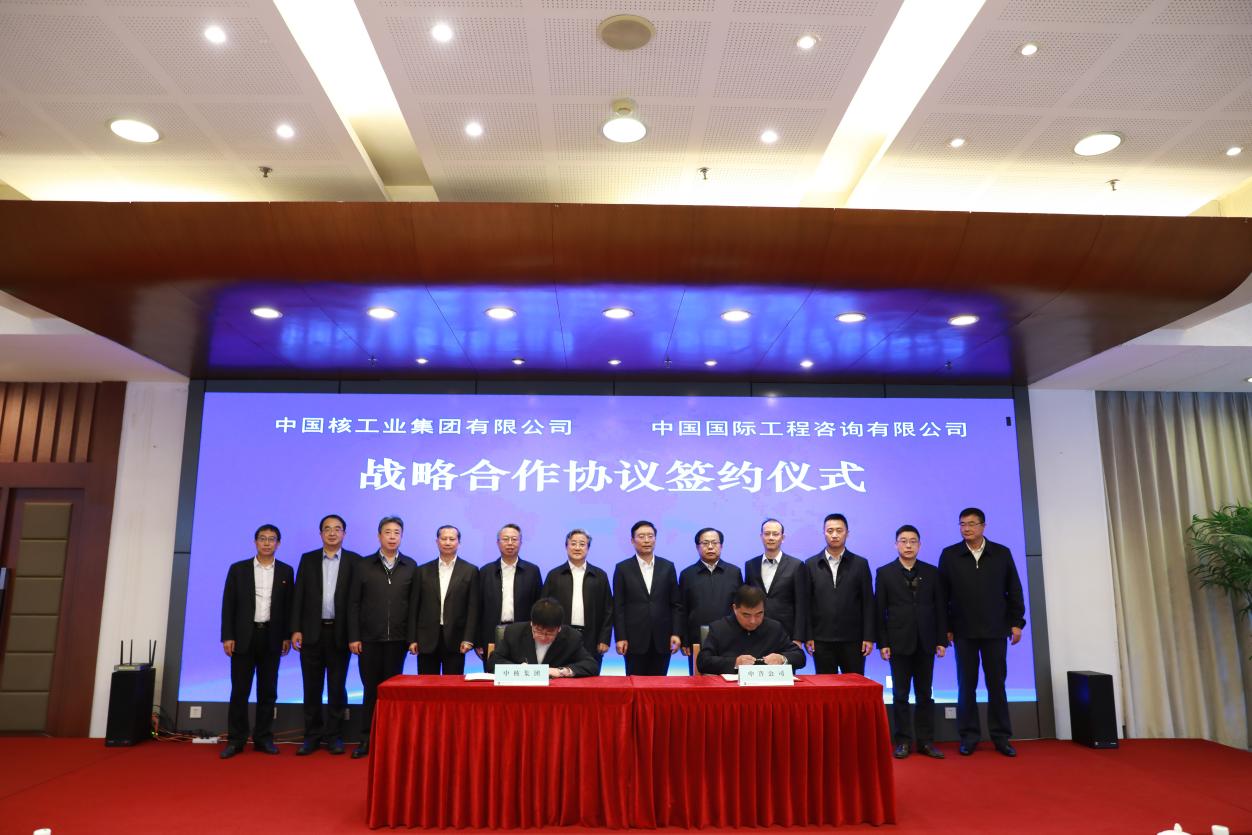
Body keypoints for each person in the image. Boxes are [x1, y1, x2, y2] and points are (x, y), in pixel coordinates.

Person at [938, 507, 1026, 757]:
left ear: (983, 526)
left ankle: (1001, 737)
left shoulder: (1001, 553)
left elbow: (1014, 590)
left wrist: (1017, 622)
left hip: (996, 629)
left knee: (996, 684)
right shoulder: (950, 555)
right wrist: (946, 628)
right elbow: (942, 595)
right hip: (963, 631)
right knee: (966, 685)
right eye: (962, 524)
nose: (966, 528)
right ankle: (969, 736)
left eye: (972, 524)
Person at [219, 524, 293, 759]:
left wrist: (286, 636)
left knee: (268, 691)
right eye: (263, 538)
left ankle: (263, 738)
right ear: (255, 542)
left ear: (278, 543)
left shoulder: (286, 571)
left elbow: (288, 608)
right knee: (239, 691)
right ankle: (236, 740)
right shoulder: (238, 569)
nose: (267, 543)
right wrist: (227, 636)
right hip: (244, 637)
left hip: (272, 637)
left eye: (272, 539)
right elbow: (228, 604)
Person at [347, 516, 418, 759]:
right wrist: (354, 636)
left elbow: (414, 606)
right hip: (369, 640)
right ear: (379, 536)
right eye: (387, 532)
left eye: (396, 532)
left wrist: (411, 638)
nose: (392, 536)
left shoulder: (410, 566)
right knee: (370, 690)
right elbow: (353, 603)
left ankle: (390, 741)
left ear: (402, 536)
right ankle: (366, 739)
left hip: (397, 641)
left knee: (392, 693)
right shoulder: (364, 565)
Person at [290, 514, 360, 756]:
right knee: (311, 687)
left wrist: (354, 634)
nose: (332, 533)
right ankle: (311, 736)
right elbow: (298, 596)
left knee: (337, 687)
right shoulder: (308, 559)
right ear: (320, 533)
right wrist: (295, 629)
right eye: (327, 529)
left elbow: (356, 602)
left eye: (337, 529)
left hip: (339, 634)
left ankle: (334, 736)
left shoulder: (354, 561)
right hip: (311, 632)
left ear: (344, 534)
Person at [876, 525, 948, 760]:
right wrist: (883, 643)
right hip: (898, 642)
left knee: (925, 694)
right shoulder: (885, 573)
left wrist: (941, 640)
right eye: (903, 541)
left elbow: (940, 608)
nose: (908, 545)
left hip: (926, 641)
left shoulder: (932, 572)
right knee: (900, 694)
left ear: (919, 545)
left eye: (913, 541)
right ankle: (903, 742)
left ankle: (926, 742)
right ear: (895, 544)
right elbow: (880, 611)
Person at [804, 513, 874, 674]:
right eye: (830, 531)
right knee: (825, 686)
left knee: (855, 686)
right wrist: (808, 635)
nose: (834, 535)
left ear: (847, 533)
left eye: (839, 530)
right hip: (821, 640)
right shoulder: (811, 564)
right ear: (824, 533)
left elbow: (868, 603)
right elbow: (806, 603)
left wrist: (869, 636)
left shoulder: (860, 564)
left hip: (854, 640)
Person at [612, 520, 682, 675]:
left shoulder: (667, 567)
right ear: (632, 540)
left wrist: (676, 633)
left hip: (663, 639)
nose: (646, 540)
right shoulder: (622, 568)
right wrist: (620, 637)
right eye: (641, 536)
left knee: (659, 684)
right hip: (633, 640)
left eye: (650, 536)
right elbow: (618, 606)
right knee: (635, 683)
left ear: (655, 539)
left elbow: (675, 604)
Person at [540, 529, 613, 669]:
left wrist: (604, 639)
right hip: (560, 637)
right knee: (560, 677)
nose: (577, 548)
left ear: (588, 548)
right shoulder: (554, 575)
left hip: (591, 639)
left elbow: (608, 610)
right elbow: (544, 608)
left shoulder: (599, 575)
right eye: (573, 543)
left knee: (590, 676)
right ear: (566, 546)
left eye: (582, 544)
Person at [414, 525, 480, 675]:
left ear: (459, 542)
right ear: (437, 541)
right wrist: (412, 639)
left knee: (453, 685)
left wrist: (469, 638)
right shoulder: (422, 571)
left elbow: (473, 608)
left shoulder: (470, 571)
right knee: (426, 684)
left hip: (456, 639)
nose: (448, 542)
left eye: (452, 539)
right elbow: (414, 607)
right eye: (444, 539)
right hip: (426, 639)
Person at [696, 585, 805, 674]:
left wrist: (782, 658)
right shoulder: (719, 628)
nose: (753, 621)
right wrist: (735, 662)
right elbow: (703, 662)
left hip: (767, 689)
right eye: (746, 615)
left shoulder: (774, 628)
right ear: (735, 609)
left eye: (759, 614)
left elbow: (800, 656)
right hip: (731, 689)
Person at [743, 518, 809, 664]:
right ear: (761, 536)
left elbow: (801, 604)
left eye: (775, 534)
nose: (771, 537)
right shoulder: (750, 565)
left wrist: (798, 638)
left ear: (782, 537)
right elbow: (747, 601)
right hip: (756, 631)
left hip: (786, 634)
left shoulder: (796, 565)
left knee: (785, 675)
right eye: (767, 534)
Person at [678, 527, 742, 672]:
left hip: (730, 637)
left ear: (721, 546)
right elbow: (682, 609)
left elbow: (740, 607)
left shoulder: (734, 572)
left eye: (715, 543)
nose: (710, 547)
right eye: (705, 543)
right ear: (697, 547)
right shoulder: (687, 574)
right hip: (696, 639)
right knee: (699, 680)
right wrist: (685, 639)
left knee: (729, 679)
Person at [477, 523, 541, 665]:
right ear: (498, 543)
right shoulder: (486, 571)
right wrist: (478, 640)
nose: (510, 543)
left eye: (514, 539)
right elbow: (477, 607)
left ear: (521, 542)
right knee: (492, 674)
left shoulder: (532, 571)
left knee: (522, 674)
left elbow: (538, 605)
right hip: (491, 634)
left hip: (524, 634)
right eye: (505, 539)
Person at [491, 598, 600, 678]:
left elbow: (591, 665)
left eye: (549, 633)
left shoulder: (572, 637)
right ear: (532, 624)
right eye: (538, 631)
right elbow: (493, 661)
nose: (543, 637)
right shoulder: (514, 632)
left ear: (559, 628)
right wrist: (518, 669)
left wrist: (561, 671)